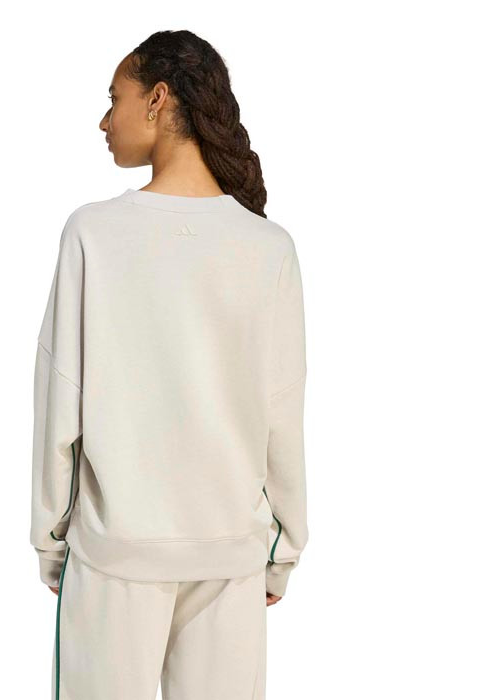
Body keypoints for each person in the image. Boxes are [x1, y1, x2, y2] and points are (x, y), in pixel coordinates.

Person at [30, 29, 309, 700]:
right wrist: (281, 551)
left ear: (157, 99)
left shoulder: (93, 233)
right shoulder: (267, 247)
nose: (104, 120)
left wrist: (52, 540)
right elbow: (282, 415)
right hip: (229, 560)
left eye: (114, 99)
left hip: (114, 559)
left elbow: (61, 399)